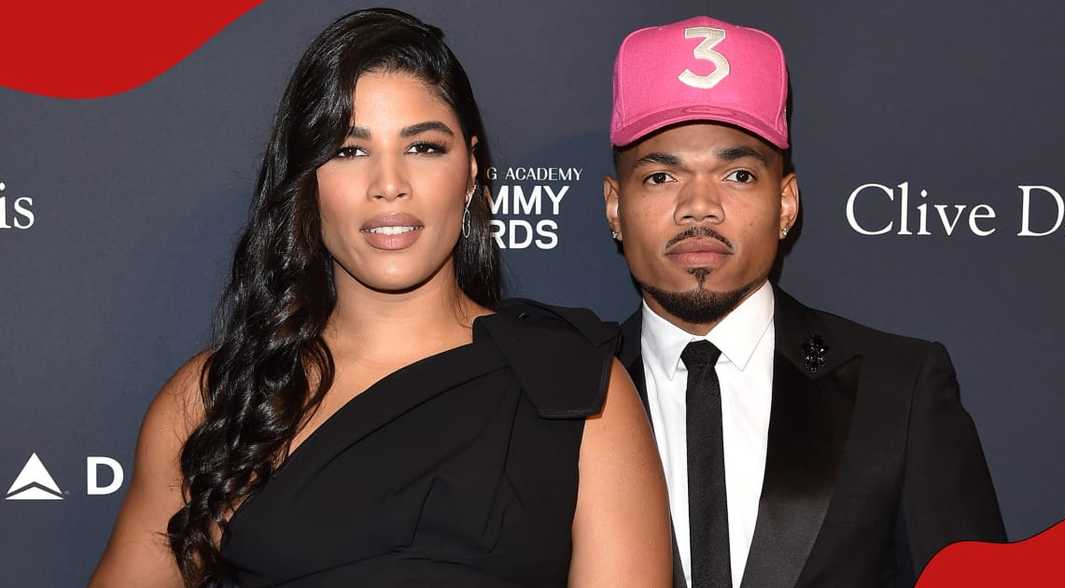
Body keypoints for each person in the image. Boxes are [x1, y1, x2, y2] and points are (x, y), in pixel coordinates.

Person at [90, 8, 670, 587]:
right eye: (349, 150)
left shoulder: (576, 389)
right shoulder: (217, 401)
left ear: (471, 171)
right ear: (306, 179)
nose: (388, 183)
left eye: (423, 148)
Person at [602, 16, 1006, 588]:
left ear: (786, 203)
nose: (699, 206)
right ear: (615, 207)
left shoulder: (901, 389)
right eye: (662, 178)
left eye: (738, 174)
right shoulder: (563, 392)